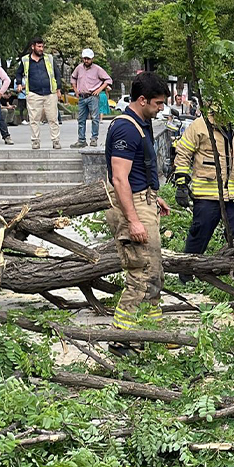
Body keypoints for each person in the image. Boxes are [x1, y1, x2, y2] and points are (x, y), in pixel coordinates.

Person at [104, 72, 173, 347]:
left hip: (142, 200)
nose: (161, 109)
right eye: (157, 103)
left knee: (154, 271)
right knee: (141, 273)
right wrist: (133, 220)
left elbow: (135, 172)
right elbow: (120, 178)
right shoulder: (125, 128)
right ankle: (122, 338)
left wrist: (153, 197)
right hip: (131, 206)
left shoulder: (140, 123)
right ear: (142, 100)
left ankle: (151, 332)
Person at [174, 105, 234, 287]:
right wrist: (181, 184)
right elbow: (183, 153)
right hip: (207, 192)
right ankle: (186, 273)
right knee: (200, 233)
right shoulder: (200, 126)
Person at [14, 37, 63, 150]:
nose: (41, 49)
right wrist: (19, 83)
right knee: (34, 119)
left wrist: (58, 89)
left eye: (42, 46)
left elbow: (57, 74)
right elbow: (18, 73)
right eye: (39, 46)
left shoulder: (48, 58)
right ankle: (35, 140)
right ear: (33, 47)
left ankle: (56, 140)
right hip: (33, 93)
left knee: (53, 118)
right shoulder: (25, 60)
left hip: (50, 92)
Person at [70, 49, 113, 148]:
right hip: (82, 96)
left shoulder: (97, 69)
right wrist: (75, 89)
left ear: (92, 59)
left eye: (88, 59)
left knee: (95, 118)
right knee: (81, 119)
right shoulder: (79, 68)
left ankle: (94, 138)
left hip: (92, 96)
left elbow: (108, 79)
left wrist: (99, 89)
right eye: (84, 59)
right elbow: (73, 78)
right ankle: (81, 140)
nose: (86, 61)